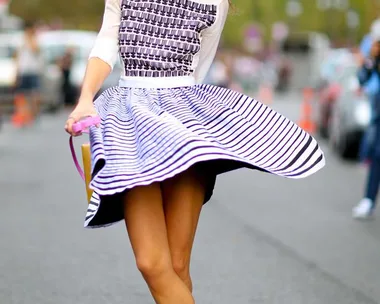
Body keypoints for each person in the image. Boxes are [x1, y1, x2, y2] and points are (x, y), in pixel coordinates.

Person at [65, 0, 325, 302]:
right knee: (151, 262)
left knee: (176, 264)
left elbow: (198, 70)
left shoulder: (215, 2)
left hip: (182, 122)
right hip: (128, 123)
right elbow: (107, 40)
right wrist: (86, 98)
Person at [353, 35, 380, 219]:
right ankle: (368, 200)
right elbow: (362, 79)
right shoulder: (374, 61)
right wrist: (370, 60)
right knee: (377, 156)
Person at [15, 20, 43, 120]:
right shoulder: (20, 39)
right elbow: (18, 56)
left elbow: (36, 50)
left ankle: (35, 113)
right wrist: (17, 72)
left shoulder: (35, 39)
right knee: (22, 93)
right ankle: (25, 113)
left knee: (34, 93)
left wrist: (31, 39)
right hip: (24, 70)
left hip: (33, 70)